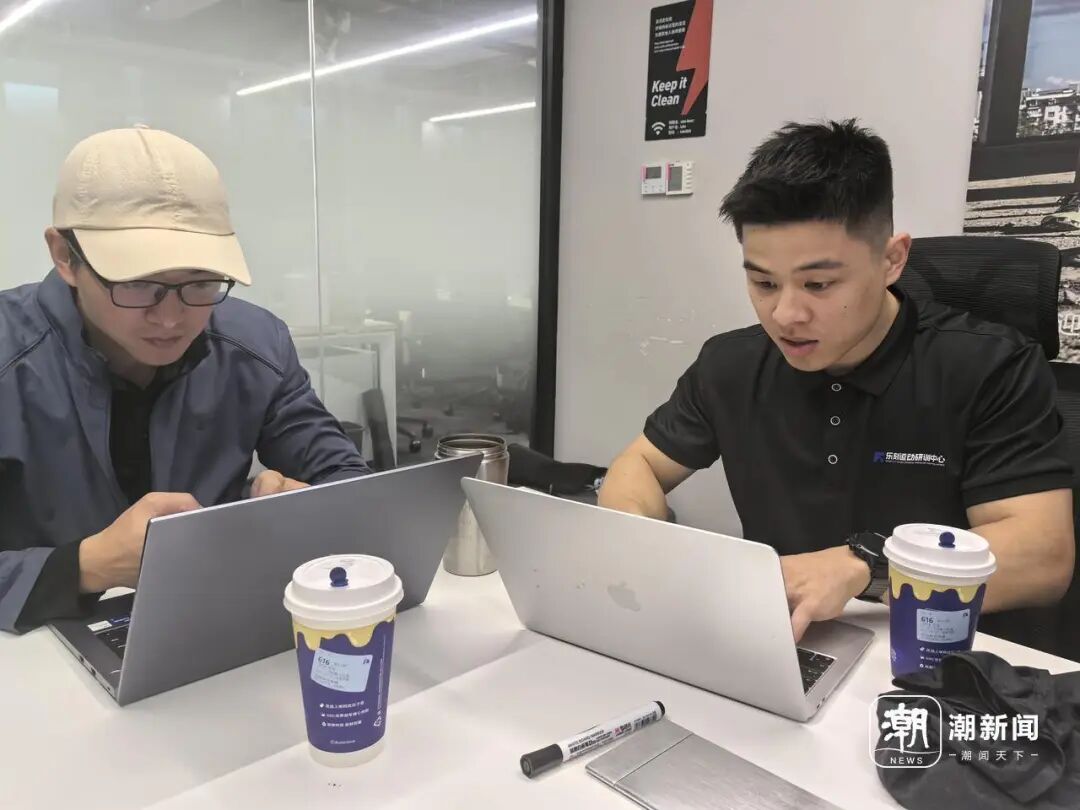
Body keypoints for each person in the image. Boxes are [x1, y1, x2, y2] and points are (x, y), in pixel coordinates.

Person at [599, 120, 1075, 642]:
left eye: (819, 284)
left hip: (939, 654)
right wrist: (641, 546)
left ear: (892, 259)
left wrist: (866, 566)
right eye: (763, 283)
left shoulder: (990, 366)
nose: (786, 315)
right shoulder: (730, 364)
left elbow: (1043, 558)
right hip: (788, 642)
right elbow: (640, 465)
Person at [0, 126, 370, 634]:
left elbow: (349, 483)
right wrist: (86, 565)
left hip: (213, 625)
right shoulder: (10, 357)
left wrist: (302, 509)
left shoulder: (255, 344)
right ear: (65, 255)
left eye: (200, 282)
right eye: (137, 284)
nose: (172, 318)